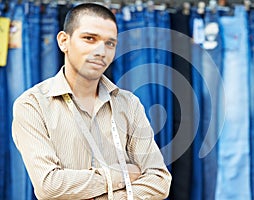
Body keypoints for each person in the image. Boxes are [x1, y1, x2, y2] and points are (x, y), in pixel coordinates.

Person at [12, 3, 171, 199]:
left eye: (110, 43)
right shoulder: (32, 105)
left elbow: (159, 181)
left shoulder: (129, 104)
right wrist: (121, 177)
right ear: (64, 41)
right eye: (89, 38)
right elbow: (49, 186)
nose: (101, 51)